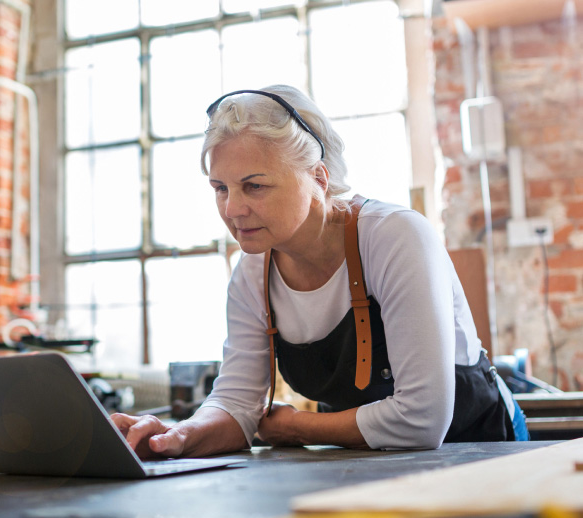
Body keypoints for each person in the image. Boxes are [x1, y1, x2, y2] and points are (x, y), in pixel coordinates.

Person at [111, 84, 528, 458]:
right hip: (365, 465)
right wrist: (179, 435)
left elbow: (422, 419)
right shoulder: (252, 273)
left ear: (319, 178)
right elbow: (237, 405)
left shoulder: (395, 237)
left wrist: (296, 427)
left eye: (254, 186)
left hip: (481, 453)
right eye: (221, 188)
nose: (232, 209)